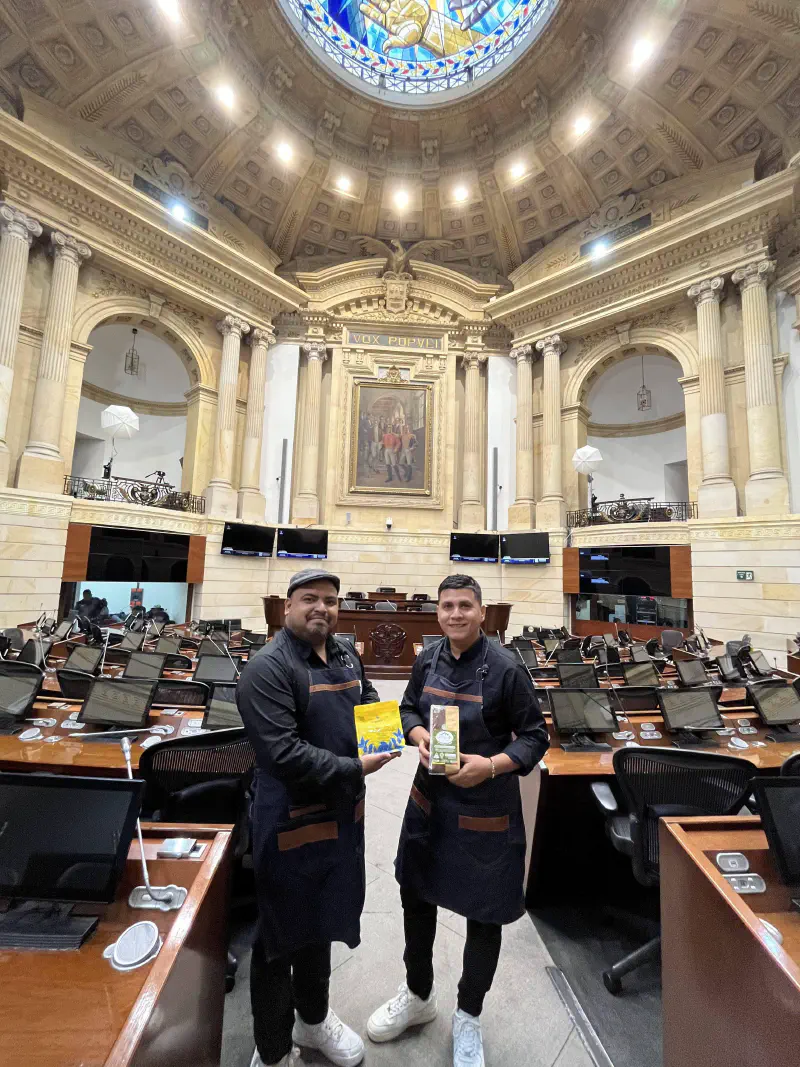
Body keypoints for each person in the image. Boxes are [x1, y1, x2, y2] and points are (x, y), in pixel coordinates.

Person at [367, 574, 550, 1067]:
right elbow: (407, 707)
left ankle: (468, 1015)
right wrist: (418, 732)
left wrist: (490, 766)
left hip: (485, 809)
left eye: (465, 606)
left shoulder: (508, 669)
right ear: (439, 612)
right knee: (416, 899)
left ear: (481, 612)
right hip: (429, 802)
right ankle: (418, 995)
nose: (455, 614)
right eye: (447, 606)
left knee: (484, 917)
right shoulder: (427, 658)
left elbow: (534, 738)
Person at [237, 569, 399, 1067]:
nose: (321, 609)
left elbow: (367, 702)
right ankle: (272, 1050)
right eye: (310, 599)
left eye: (330, 600)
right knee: (279, 938)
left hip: (341, 816)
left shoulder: (346, 653)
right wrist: (357, 766)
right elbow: (282, 754)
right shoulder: (268, 668)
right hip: (289, 822)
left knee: (322, 920)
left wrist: (386, 735)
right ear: (287, 607)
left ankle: (312, 1021)